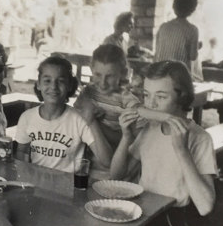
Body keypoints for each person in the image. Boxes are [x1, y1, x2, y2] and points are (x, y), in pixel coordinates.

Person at [110, 60, 217, 226]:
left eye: (160, 96)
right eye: (147, 95)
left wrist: (181, 149)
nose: (151, 104)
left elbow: (206, 206)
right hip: (139, 220)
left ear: (182, 96)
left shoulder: (200, 138)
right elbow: (117, 176)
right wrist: (126, 136)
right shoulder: (149, 129)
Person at [74, 45, 175, 178]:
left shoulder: (124, 98)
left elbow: (141, 112)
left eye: (110, 76)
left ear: (122, 73)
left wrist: (167, 117)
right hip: (86, 164)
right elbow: (77, 121)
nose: (103, 82)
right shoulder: (87, 93)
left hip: (116, 167)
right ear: (92, 69)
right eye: (98, 74)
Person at [14, 56, 112, 173]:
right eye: (47, 81)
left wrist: (91, 121)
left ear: (69, 85)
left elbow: (107, 161)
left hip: (68, 186)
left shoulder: (79, 119)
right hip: (37, 184)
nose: (53, 87)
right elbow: (22, 152)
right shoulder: (27, 117)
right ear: (38, 84)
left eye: (60, 81)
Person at [154, 0, 199, 72]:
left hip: (161, 73)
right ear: (191, 10)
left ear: (175, 8)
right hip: (179, 75)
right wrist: (197, 47)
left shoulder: (163, 27)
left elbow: (157, 51)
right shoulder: (193, 30)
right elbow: (193, 57)